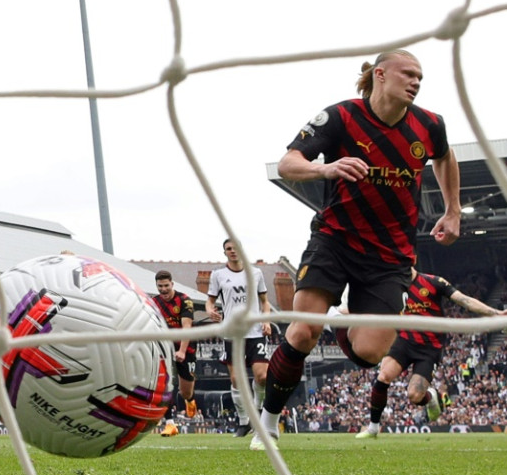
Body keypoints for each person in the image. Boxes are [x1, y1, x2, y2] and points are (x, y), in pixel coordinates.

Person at [252, 50, 461, 451]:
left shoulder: (429, 124)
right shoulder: (340, 117)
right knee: (300, 332)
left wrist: (453, 210)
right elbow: (287, 163)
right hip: (335, 240)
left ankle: (337, 318)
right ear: (380, 75)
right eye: (408, 74)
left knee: (369, 354)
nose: (416, 82)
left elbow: (444, 156)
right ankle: (270, 422)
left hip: (390, 256)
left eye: (420, 76)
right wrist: (324, 168)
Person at [355, 268, 507, 438]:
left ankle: (431, 397)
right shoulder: (393, 287)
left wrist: (497, 313)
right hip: (403, 342)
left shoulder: (434, 282)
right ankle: (373, 427)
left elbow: (465, 301)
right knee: (383, 377)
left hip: (429, 348)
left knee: (414, 396)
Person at [206, 238, 272, 438]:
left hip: (254, 332)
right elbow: (210, 301)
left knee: (262, 376)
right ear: (224, 252)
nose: (233, 251)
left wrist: (266, 320)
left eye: (236, 248)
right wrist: (210, 311)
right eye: (228, 249)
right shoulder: (218, 275)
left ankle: (258, 410)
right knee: (236, 379)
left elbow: (265, 302)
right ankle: (244, 422)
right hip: (232, 333)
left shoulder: (255, 273)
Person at [152, 270, 198, 437]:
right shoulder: (153, 303)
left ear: (172, 284)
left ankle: (190, 399)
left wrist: (182, 351)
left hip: (186, 347)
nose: (163, 289)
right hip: (165, 347)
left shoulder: (184, 301)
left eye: (166, 286)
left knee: (185, 391)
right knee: (165, 384)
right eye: (160, 286)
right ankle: (170, 424)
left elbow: (187, 327)